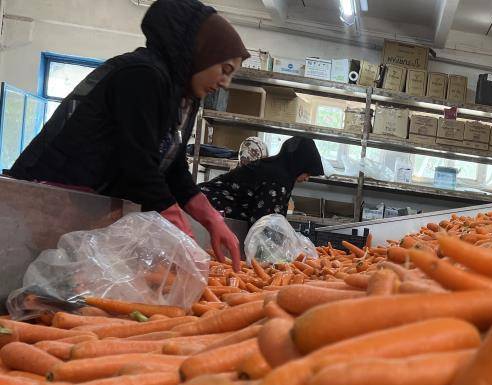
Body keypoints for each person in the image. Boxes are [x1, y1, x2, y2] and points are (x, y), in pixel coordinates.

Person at [8, 0, 247, 269]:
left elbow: (172, 167)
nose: (226, 83)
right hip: (51, 201)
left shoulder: (180, 97)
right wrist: (180, 229)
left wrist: (211, 219)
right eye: (225, 70)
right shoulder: (143, 75)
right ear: (200, 52)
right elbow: (137, 162)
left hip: (85, 207)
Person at [199, 136, 324, 224]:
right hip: (204, 206)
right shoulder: (276, 178)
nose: (307, 178)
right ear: (299, 164)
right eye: (307, 172)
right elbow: (262, 223)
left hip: (212, 209)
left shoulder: (281, 173)